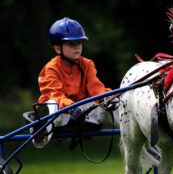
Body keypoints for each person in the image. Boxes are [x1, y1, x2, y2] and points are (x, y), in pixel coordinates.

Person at [31, 17, 116, 148]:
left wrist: (107, 98)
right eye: (71, 44)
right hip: (59, 112)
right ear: (58, 48)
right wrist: (72, 107)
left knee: (111, 101)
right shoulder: (51, 68)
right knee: (53, 104)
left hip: (80, 113)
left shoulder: (87, 64)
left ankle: (133, 132)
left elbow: (96, 88)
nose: (77, 47)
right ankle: (40, 128)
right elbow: (55, 95)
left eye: (79, 43)